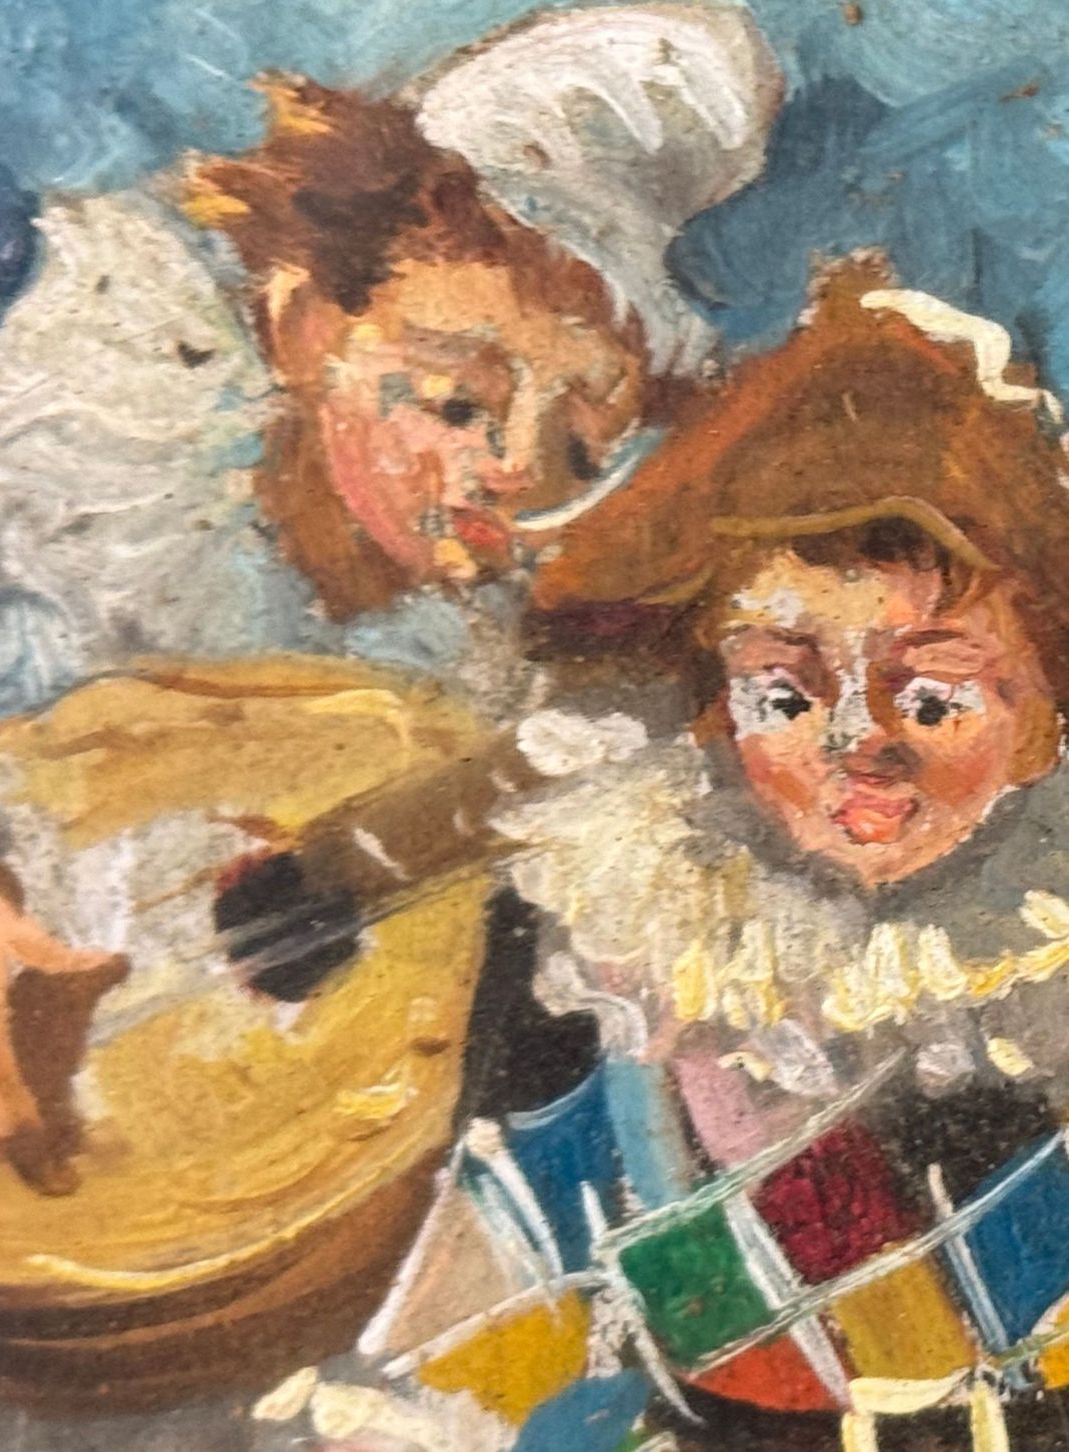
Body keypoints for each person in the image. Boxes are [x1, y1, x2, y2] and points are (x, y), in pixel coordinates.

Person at [0, 0, 781, 1452]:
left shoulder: (518, 659)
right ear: (305, 319)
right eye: (456, 395)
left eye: (580, 438)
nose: (510, 476)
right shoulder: (68, 419)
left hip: (303, 1285)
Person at [339, 254, 1069, 1452]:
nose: (857, 750)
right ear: (718, 714)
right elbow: (500, 1310)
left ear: (1041, 723)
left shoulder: (1045, 962)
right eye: (783, 694)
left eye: (933, 698)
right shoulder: (622, 948)